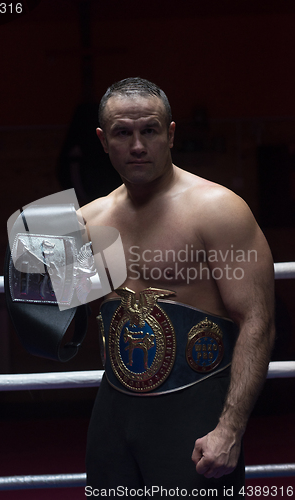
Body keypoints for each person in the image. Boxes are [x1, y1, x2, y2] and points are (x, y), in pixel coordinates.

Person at [81, 77, 275, 498]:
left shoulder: (218, 210)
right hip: (114, 413)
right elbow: (64, 324)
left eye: (149, 130)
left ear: (169, 133)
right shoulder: (88, 220)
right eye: (122, 133)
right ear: (103, 140)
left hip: (196, 410)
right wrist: (32, 269)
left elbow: (257, 322)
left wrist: (230, 429)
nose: (137, 145)